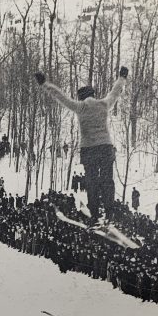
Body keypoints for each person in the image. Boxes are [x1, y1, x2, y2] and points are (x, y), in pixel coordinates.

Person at [34, 66, 128, 224]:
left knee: (91, 181)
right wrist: (122, 78)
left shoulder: (80, 107)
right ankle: (109, 212)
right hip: (105, 147)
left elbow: (60, 96)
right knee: (107, 180)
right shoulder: (103, 104)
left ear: (81, 97)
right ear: (93, 95)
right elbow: (115, 92)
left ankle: (94, 214)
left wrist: (44, 84)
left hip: (88, 149)